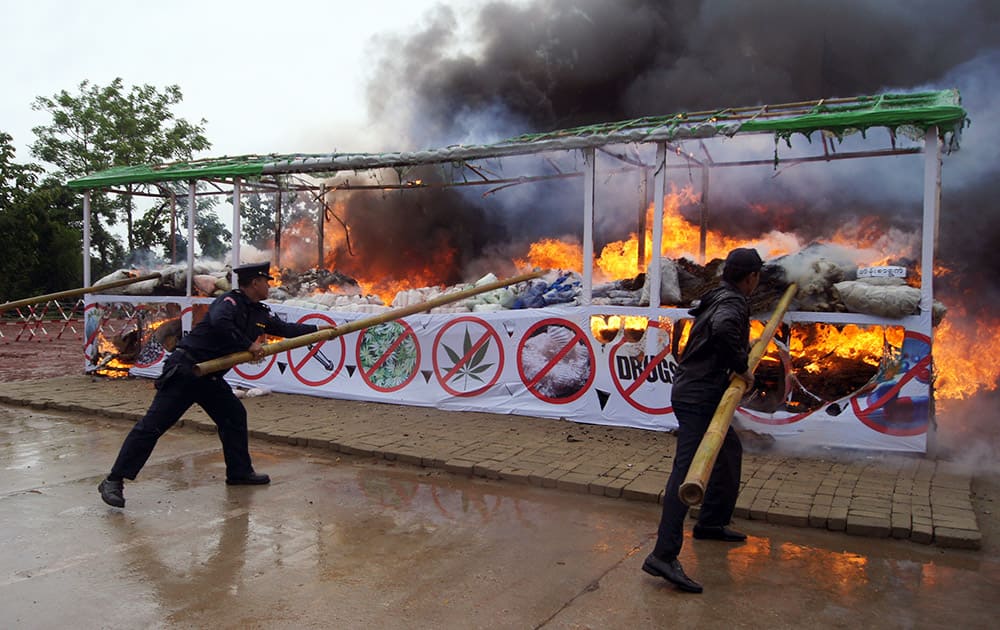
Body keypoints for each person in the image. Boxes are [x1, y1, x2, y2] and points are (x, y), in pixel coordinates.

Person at [98, 262, 330, 508]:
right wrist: (248, 345)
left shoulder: (259, 312)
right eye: (266, 281)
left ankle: (239, 472)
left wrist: (319, 330)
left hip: (210, 377)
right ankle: (114, 480)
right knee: (153, 426)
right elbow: (221, 324)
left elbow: (285, 329)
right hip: (186, 371)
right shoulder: (229, 302)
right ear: (254, 283)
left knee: (233, 415)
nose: (269, 286)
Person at [642, 247, 763, 593]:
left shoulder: (718, 294)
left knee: (728, 453)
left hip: (698, 391)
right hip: (698, 396)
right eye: (757, 276)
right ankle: (662, 555)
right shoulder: (733, 303)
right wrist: (741, 366)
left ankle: (711, 522)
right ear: (751, 277)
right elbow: (725, 329)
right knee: (687, 474)